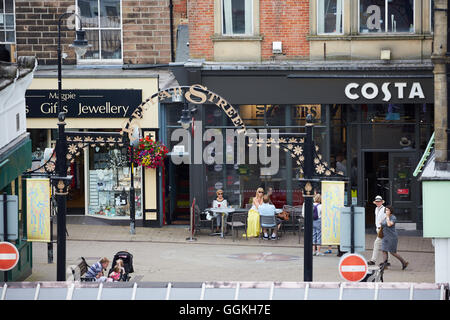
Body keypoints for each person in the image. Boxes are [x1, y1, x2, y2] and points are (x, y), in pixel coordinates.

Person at [380, 205, 409, 270]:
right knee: (384, 250)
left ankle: (404, 262)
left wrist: (387, 217)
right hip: (385, 236)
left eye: (387, 210)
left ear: (391, 211)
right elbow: (382, 223)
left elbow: (389, 224)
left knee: (392, 252)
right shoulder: (385, 217)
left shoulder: (393, 217)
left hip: (392, 237)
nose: (386, 211)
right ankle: (385, 265)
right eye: (386, 210)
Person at [368, 195, 387, 266]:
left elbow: (387, 218)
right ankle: (387, 261)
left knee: (377, 243)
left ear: (382, 202)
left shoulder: (384, 209)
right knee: (385, 244)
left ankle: (373, 260)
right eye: (377, 202)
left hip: (382, 229)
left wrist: (383, 224)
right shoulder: (376, 209)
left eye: (379, 201)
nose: (378, 203)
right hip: (378, 228)